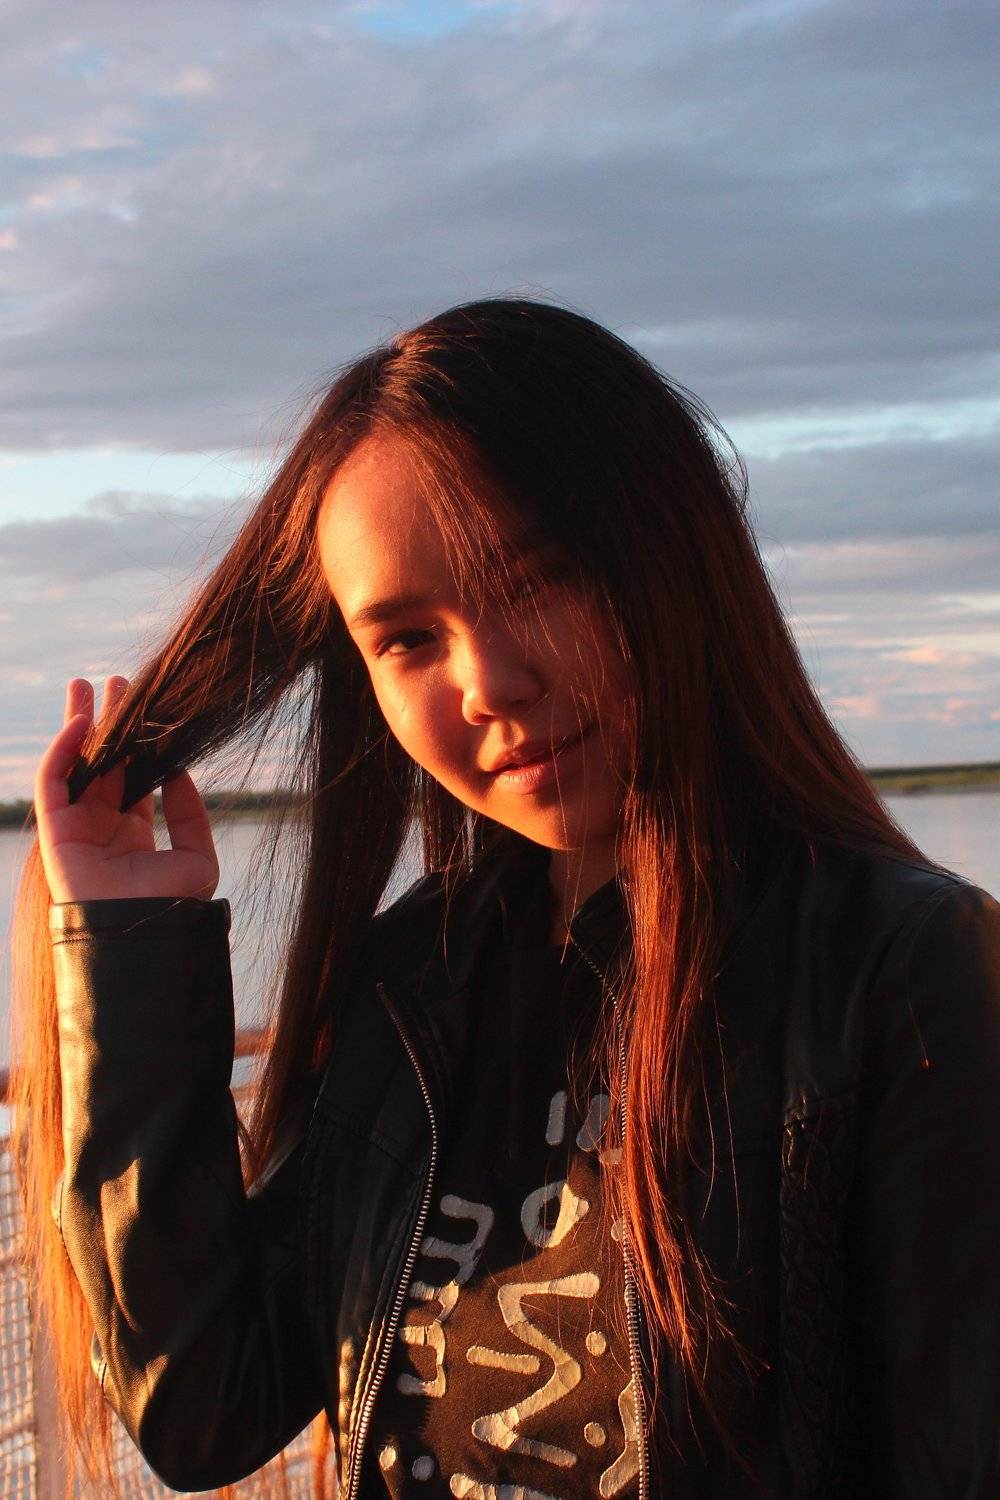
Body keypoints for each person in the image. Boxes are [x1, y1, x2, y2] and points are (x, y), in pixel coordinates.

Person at [14, 298, 1000, 1499]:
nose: (486, 681)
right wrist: (128, 939)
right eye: (407, 639)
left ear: (674, 556)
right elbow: (204, 1408)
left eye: (533, 581)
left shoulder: (899, 970)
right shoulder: (413, 986)